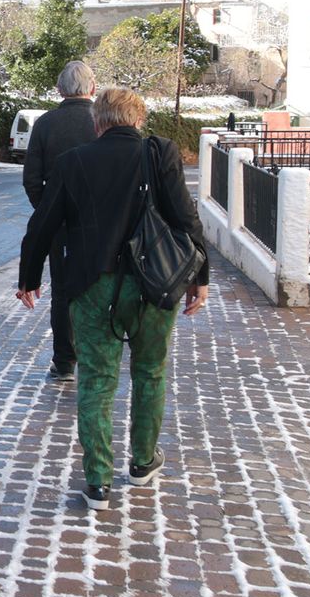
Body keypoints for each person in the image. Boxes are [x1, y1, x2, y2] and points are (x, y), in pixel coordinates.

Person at [16, 88, 209, 511]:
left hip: (92, 286)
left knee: (97, 380)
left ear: (97, 122)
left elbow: (42, 223)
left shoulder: (73, 162)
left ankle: (98, 482)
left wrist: (29, 277)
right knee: (150, 372)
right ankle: (142, 462)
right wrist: (200, 277)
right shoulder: (160, 153)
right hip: (154, 284)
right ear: (138, 120)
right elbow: (186, 218)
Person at [21, 60, 98, 382]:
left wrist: (47, 212)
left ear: (59, 89)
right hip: (101, 220)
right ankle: (96, 357)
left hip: (60, 223)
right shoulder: (103, 121)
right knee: (99, 288)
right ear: (92, 88)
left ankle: (65, 361)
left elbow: (32, 178)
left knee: (63, 292)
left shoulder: (45, 124)